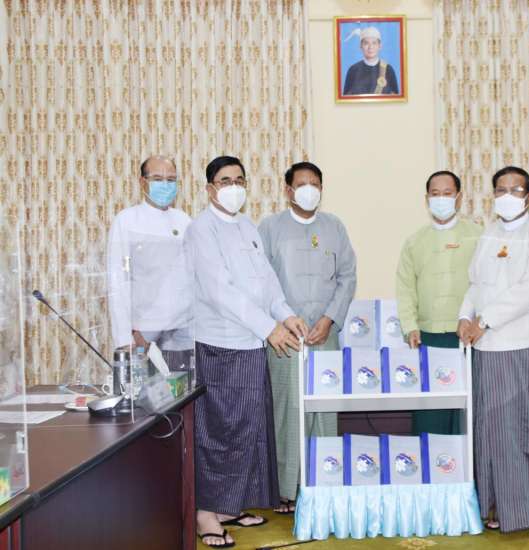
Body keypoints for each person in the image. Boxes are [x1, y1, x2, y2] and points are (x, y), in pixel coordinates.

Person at [186, 156, 308, 548]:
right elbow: (219, 292)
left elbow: (266, 282)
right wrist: (269, 327)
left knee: (247, 429)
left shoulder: (246, 226)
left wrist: (286, 315)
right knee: (219, 431)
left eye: (239, 180)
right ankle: (207, 513)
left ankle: (229, 507)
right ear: (210, 189)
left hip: (252, 344)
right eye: (225, 181)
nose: (234, 187)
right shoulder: (200, 230)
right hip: (220, 345)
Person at [458, 166, 529, 542]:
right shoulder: (490, 233)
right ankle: (497, 507)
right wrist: (464, 316)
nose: (507, 196)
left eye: (516, 190)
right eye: (501, 190)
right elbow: (475, 283)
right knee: (492, 430)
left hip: (524, 344)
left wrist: (484, 319)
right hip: (487, 347)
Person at [258, 161, 357, 513]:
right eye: (301, 184)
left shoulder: (334, 226)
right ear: (288, 190)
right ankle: (287, 489)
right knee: (289, 411)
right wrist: (282, 321)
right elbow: (262, 280)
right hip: (286, 337)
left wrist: (330, 319)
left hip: (324, 334)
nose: (308, 190)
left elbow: (347, 277)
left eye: (314, 183)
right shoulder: (269, 228)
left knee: (325, 411)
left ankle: (324, 483)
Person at [395, 170, 481, 434]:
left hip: (468, 336)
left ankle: (467, 463)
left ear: (458, 197)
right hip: (427, 337)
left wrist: (479, 322)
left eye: (447, 193)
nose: (441, 199)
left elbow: (486, 284)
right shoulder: (415, 241)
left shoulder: (477, 235)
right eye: (435, 194)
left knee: (467, 415)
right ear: (427, 199)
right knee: (430, 414)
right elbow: (405, 289)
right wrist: (410, 326)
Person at [106, 155, 193, 370]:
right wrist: (125, 337)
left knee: (184, 387)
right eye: (157, 179)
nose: (165, 185)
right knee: (147, 389)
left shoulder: (184, 221)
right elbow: (118, 281)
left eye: (171, 179)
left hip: (182, 330)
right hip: (143, 332)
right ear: (142, 182)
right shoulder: (127, 220)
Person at [342, 26, 399, 95]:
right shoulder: (353, 70)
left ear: (380, 46)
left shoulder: (388, 69)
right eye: (366, 43)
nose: (370, 47)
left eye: (374, 43)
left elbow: (396, 98)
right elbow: (346, 98)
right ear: (361, 46)